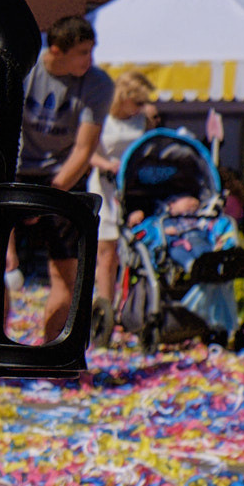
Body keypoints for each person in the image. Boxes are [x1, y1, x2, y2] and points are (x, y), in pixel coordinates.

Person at [0, 13, 109, 365]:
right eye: (82, 52)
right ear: (56, 50)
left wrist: (49, 198)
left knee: (67, 273)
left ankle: (52, 356)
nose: (90, 60)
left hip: (62, 178)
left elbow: (83, 151)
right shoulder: (25, 72)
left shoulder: (97, 84)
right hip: (13, 172)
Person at [89, 71, 153, 338]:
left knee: (133, 248)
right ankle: (106, 307)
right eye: (137, 102)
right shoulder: (103, 117)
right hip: (104, 184)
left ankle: (129, 305)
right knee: (107, 251)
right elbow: (87, 150)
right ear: (125, 98)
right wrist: (107, 165)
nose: (140, 107)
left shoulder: (143, 119)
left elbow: (148, 148)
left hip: (132, 187)